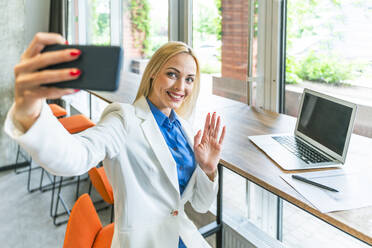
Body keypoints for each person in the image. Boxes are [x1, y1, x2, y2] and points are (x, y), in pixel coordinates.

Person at [4, 32, 226, 248]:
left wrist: (208, 169)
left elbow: (200, 204)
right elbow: (76, 156)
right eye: (172, 74)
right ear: (153, 72)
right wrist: (31, 111)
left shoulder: (185, 129)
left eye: (189, 79)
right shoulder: (123, 118)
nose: (180, 87)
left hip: (182, 235)